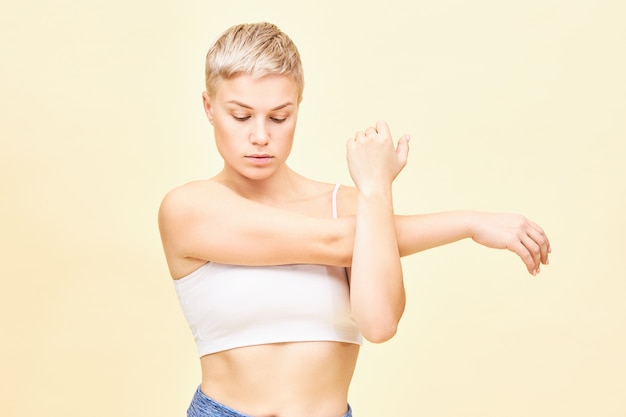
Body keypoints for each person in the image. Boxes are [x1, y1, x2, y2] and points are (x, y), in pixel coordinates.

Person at [158, 22, 550, 417]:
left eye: (279, 117)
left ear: (298, 107)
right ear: (209, 108)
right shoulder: (190, 208)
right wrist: (468, 223)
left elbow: (380, 324)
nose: (260, 136)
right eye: (241, 116)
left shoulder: (348, 205)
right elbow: (335, 242)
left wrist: (376, 189)